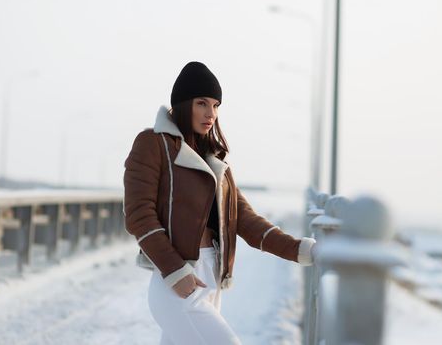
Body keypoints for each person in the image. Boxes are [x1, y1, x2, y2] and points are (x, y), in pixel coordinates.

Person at [123, 61, 317, 344]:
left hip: (210, 278)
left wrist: (299, 249)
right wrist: (175, 270)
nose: (210, 114)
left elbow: (245, 220)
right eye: (202, 103)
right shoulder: (153, 144)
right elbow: (139, 216)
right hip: (176, 283)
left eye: (216, 106)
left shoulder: (215, 161)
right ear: (183, 102)